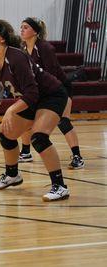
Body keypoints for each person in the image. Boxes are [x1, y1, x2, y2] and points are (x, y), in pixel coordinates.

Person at [0, 19, 70, 201]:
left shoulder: (16, 57)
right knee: (6, 134)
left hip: (52, 95)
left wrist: (11, 110)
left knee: (39, 137)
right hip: (34, 99)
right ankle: (12, 175)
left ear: (3, 38)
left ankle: (60, 186)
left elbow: (32, 92)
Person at [19, 17, 84, 170]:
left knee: (63, 121)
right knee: (27, 117)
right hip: (41, 89)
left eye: (25, 27)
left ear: (35, 31)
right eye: (21, 27)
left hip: (60, 88)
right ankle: (26, 152)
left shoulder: (45, 48)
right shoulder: (23, 49)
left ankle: (77, 157)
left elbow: (51, 73)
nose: (21, 29)